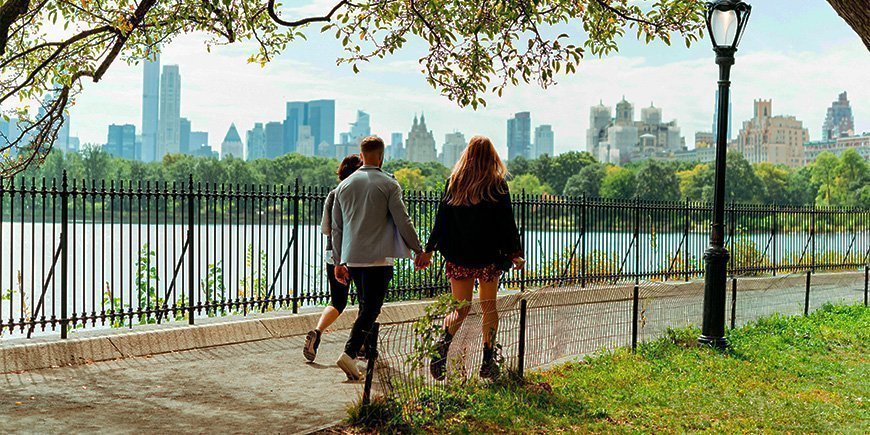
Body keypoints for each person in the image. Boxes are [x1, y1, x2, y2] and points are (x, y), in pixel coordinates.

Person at [416, 135, 525, 380]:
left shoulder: (453, 183)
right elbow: (507, 223)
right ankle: (488, 360)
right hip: (488, 256)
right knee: (489, 307)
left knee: (460, 308)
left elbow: (441, 222)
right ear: (492, 157)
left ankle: (441, 347)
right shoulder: (497, 185)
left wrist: (429, 249)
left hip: (459, 255)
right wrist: (515, 254)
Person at [331, 135, 429, 380]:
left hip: (353, 258)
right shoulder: (389, 184)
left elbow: (337, 229)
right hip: (379, 259)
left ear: (361, 155)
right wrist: (418, 249)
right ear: (382, 156)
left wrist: (338, 261)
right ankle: (349, 353)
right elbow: (402, 220)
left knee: (366, 307)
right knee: (372, 309)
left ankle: (360, 355)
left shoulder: (343, 186)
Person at [303, 154, 363, 362]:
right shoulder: (361, 194)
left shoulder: (333, 194)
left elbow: (326, 228)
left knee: (338, 301)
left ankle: (317, 331)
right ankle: (362, 344)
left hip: (333, 254)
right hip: (358, 253)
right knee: (366, 301)